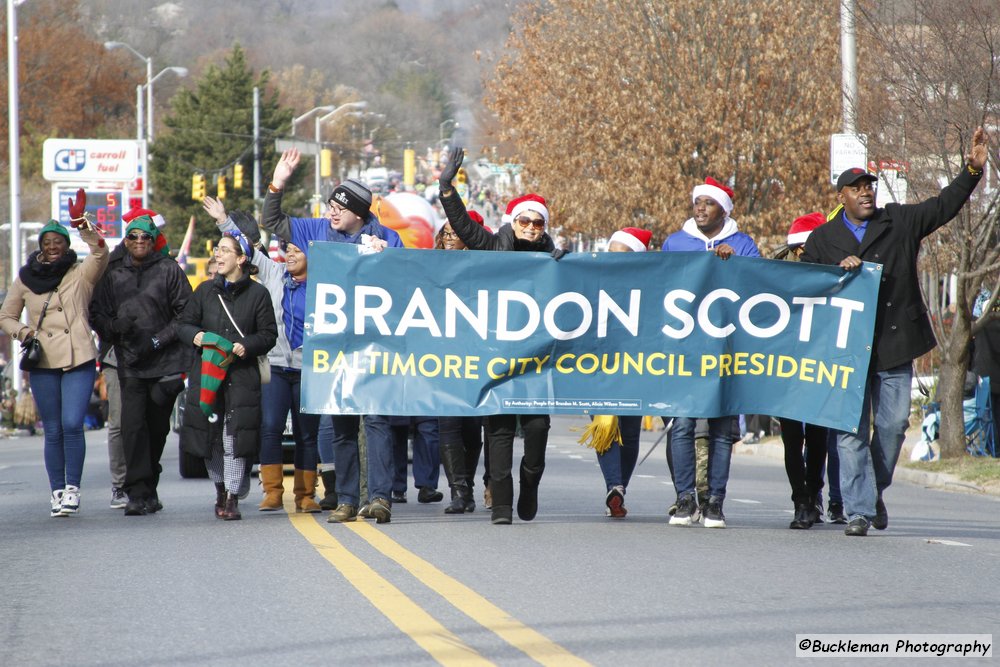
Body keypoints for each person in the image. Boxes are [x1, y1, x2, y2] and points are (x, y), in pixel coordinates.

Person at [802, 126, 990, 536]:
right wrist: (836, 273)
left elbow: (943, 206)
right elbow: (803, 286)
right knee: (849, 431)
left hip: (893, 342)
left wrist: (972, 173)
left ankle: (871, 494)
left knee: (890, 427)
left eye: (869, 185)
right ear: (842, 197)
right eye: (856, 188)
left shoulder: (899, 220)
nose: (866, 192)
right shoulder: (822, 239)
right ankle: (857, 511)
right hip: (845, 349)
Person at [261, 147, 400, 524]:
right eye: (329, 205)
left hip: (374, 346)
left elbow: (410, 284)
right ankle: (347, 498)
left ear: (360, 212)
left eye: (339, 208)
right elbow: (271, 220)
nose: (331, 212)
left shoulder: (385, 236)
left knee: (375, 422)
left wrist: (388, 258)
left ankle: (381, 497)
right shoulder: (315, 230)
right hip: (334, 347)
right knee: (341, 426)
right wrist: (279, 181)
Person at [438, 146, 562, 525]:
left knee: (537, 432)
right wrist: (447, 186)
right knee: (500, 430)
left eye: (537, 223)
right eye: (524, 221)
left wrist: (569, 267)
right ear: (513, 221)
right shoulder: (493, 246)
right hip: (498, 357)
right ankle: (503, 507)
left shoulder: (556, 259)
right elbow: (462, 225)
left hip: (538, 363)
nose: (530, 227)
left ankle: (530, 482)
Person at [203, 196, 322, 514]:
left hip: (309, 368)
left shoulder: (325, 284)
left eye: (298, 251)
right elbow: (245, 245)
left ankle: (306, 494)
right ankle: (272, 491)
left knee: (306, 432)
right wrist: (223, 220)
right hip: (277, 366)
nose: (292, 255)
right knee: (270, 426)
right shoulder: (273, 273)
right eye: (289, 250)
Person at [0, 190, 109, 516]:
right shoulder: (25, 278)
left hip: (78, 357)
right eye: (46, 242)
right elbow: (5, 315)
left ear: (65, 245)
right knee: (54, 428)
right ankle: (56, 491)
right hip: (43, 358)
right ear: (40, 246)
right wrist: (25, 332)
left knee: (73, 423)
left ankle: (73, 487)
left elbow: (101, 252)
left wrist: (81, 224)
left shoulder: (80, 272)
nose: (51, 246)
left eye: (57, 241)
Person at [662, 176, 760, 528]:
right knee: (683, 424)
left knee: (721, 425)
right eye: (697, 202)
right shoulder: (675, 243)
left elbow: (758, 290)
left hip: (726, 349)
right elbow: (659, 287)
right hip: (686, 348)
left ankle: (715, 500)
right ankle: (685, 497)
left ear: (724, 209)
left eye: (709, 202)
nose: (700, 207)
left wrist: (736, 265)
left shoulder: (743, 244)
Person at [90, 215, 192, 516]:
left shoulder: (169, 270)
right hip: (130, 362)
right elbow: (96, 313)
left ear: (152, 241)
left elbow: (186, 314)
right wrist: (113, 326)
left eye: (144, 238)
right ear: (126, 239)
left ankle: (150, 485)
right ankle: (136, 492)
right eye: (132, 237)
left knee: (157, 429)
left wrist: (158, 341)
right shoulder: (112, 274)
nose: (138, 242)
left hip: (165, 362)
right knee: (132, 428)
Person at [177, 231, 277, 520]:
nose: (217, 255)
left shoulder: (259, 294)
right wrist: (196, 336)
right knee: (211, 440)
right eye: (217, 250)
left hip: (242, 377)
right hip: (208, 376)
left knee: (234, 438)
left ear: (241, 258)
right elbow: (183, 325)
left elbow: (268, 334)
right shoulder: (205, 291)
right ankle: (220, 489)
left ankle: (233, 497)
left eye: (224, 250)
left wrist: (245, 346)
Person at [578, 227, 653, 518]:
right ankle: (615, 484)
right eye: (610, 251)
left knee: (630, 431)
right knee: (605, 423)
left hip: (635, 366)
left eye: (620, 254)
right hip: (597, 366)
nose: (612, 259)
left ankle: (619, 489)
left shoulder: (652, 287)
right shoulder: (591, 280)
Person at [776, 213, 830, 529]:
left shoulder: (833, 273)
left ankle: (815, 493)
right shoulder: (778, 275)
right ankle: (800, 499)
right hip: (786, 368)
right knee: (792, 437)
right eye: (802, 249)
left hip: (821, 365)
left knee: (818, 435)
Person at [434, 210, 490, 514]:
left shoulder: (484, 266)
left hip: (478, 358)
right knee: (448, 424)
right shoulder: (429, 264)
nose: (449, 238)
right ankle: (459, 491)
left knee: (471, 429)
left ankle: (467, 482)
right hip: (443, 358)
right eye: (445, 232)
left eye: (455, 232)